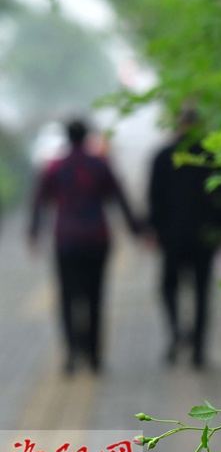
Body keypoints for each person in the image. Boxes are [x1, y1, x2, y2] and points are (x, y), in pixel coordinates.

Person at [28, 119, 141, 374]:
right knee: (95, 296)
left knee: (68, 298)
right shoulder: (99, 164)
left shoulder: (54, 167)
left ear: (67, 137)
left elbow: (39, 201)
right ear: (87, 136)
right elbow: (120, 198)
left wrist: (34, 234)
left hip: (66, 240)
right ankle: (94, 357)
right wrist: (137, 230)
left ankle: (71, 354)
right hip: (96, 239)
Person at [147, 108, 221, 369]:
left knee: (168, 287)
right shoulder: (214, 157)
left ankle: (176, 332)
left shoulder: (163, 156)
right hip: (204, 237)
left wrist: (154, 231)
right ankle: (198, 351)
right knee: (202, 292)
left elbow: (154, 199)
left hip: (173, 237)